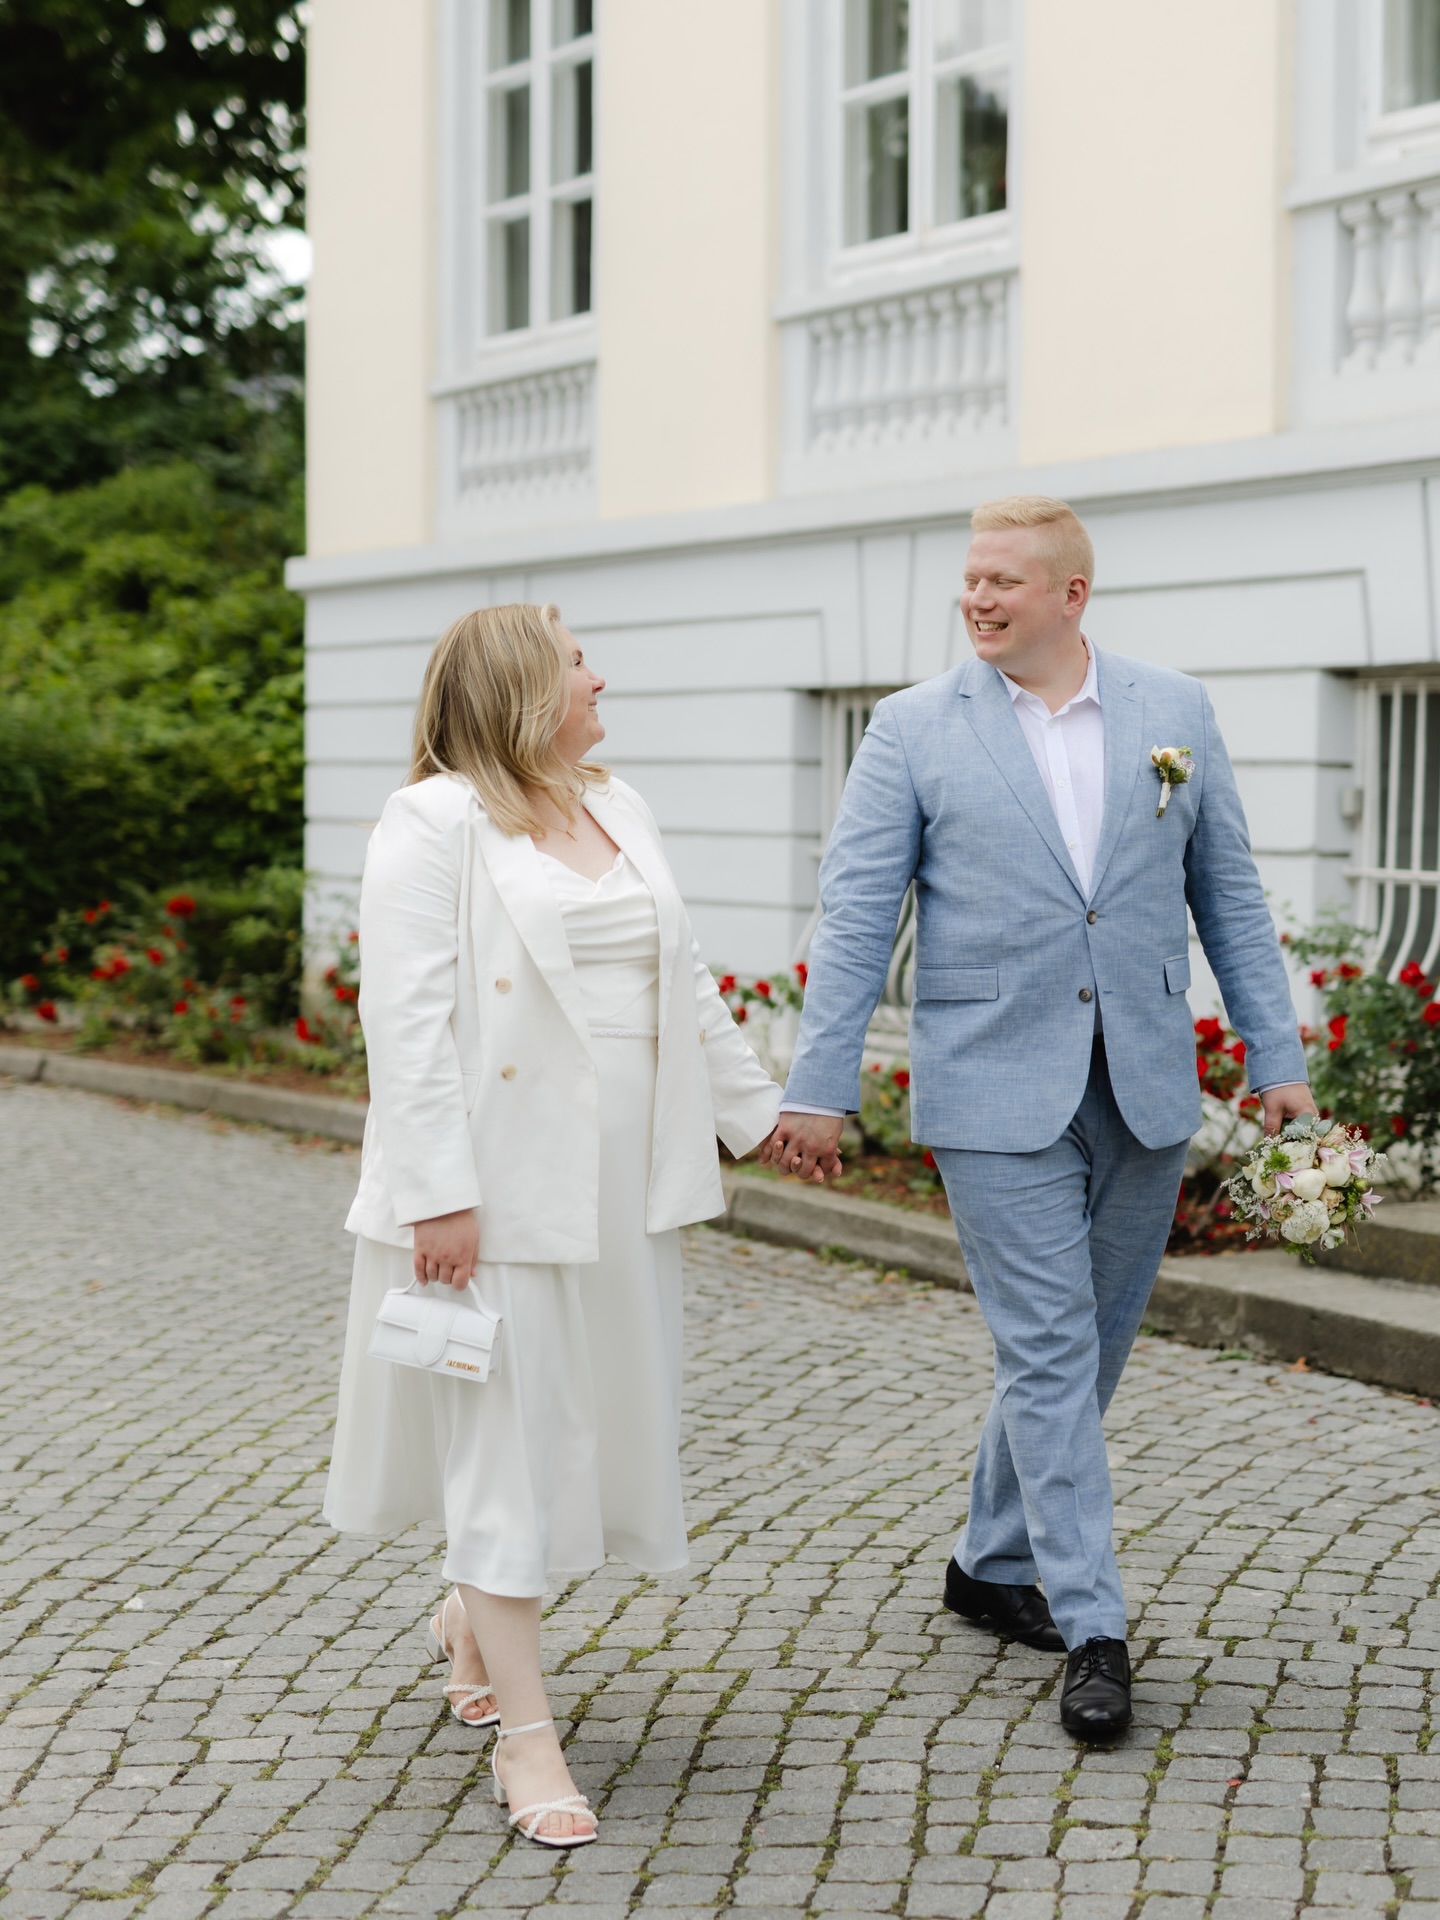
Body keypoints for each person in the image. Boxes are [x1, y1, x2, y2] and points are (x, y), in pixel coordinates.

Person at [763, 496, 1313, 1742]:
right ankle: (1096, 1628)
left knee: (1087, 1351)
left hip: (1146, 1083)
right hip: (992, 1087)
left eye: (1005, 579)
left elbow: (1227, 889)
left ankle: (988, 1562)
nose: (978, 599)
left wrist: (1274, 1054)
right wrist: (820, 1083)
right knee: (1054, 1351)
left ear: (1073, 593)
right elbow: (857, 916)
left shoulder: (1174, 712)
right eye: (970, 580)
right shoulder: (910, 730)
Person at [323, 603, 784, 1845]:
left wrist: (764, 1115)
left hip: (629, 1181)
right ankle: (529, 1741)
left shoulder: (616, 804)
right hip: (495, 1190)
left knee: (592, 1431)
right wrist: (440, 1194)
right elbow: (405, 1018)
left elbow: (680, 982)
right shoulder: (434, 823)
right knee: (507, 1450)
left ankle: (471, 1618)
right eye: (579, 661)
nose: (600, 676)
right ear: (525, 688)